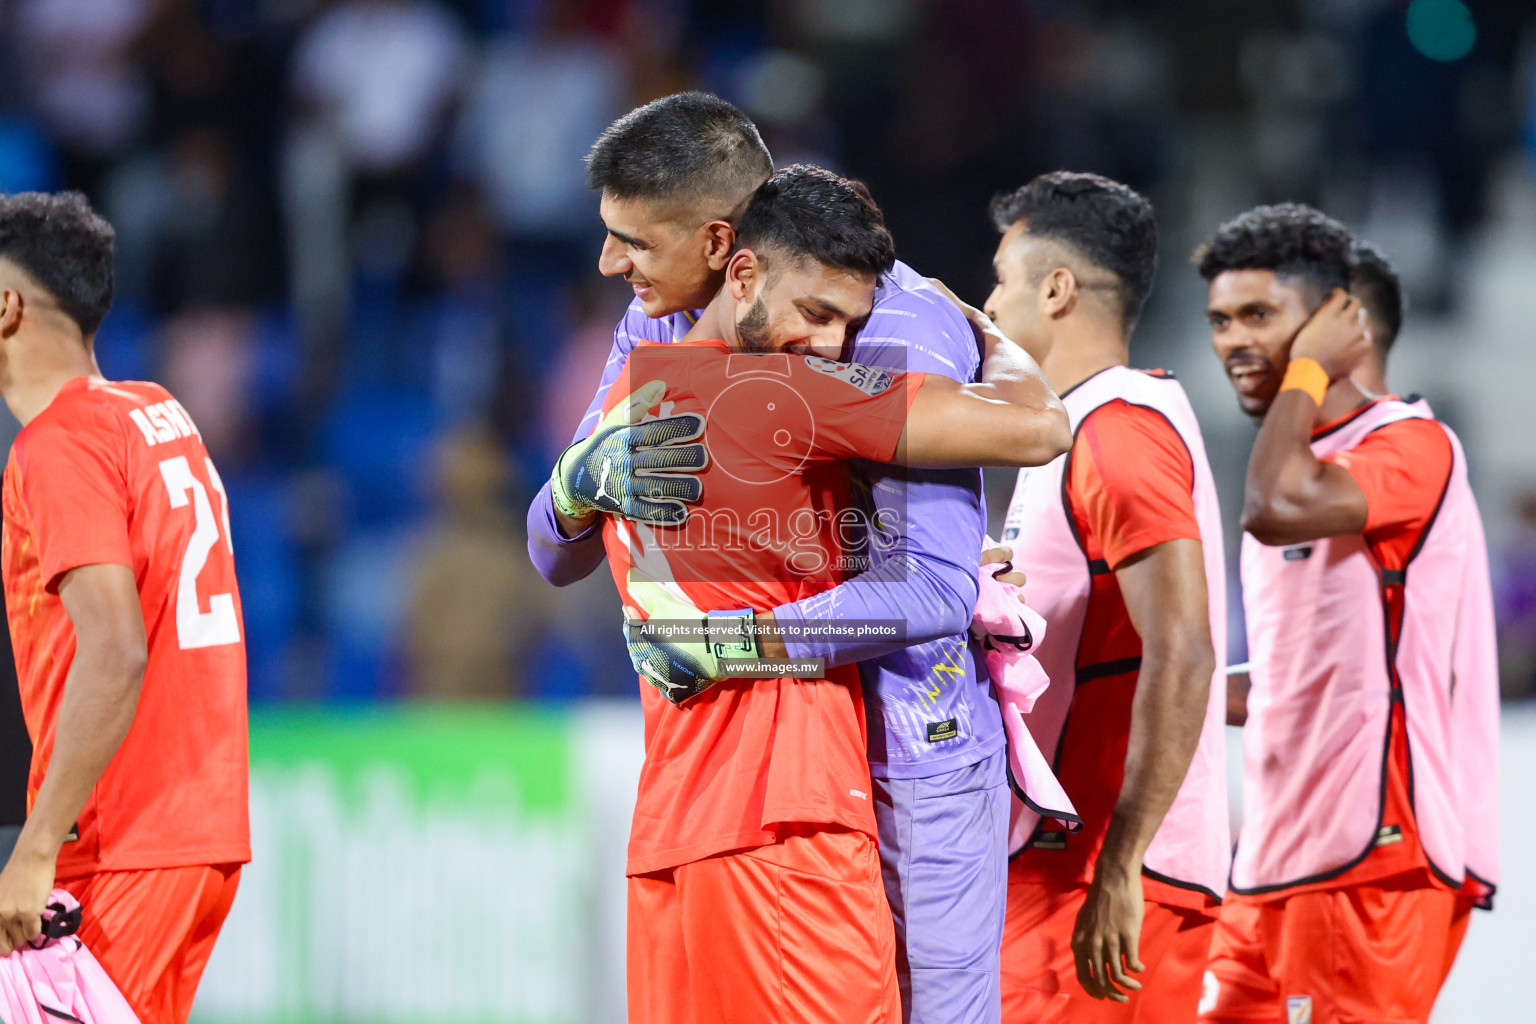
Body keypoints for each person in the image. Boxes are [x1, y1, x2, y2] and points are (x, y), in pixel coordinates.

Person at [527, 92, 1039, 1023]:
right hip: (777, 783)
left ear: (727, 247)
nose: (612, 265)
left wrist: (732, 645)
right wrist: (570, 486)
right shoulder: (665, 329)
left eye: (634, 241)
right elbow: (555, 549)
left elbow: (932, 586)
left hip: (900, 767)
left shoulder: (896, 325)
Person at [1194, 204, 1498, 1024]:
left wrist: (1305, 376)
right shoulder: (1303, 466)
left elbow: (1273, 504)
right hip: (1273, 858)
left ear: (1337, 324)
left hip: (1372, 856)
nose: (1232, 342)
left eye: (1259, 316)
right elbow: (1309, 676)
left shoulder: (1407, 446)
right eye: (1221, 320)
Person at [982, 172, 1228, 1021]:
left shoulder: (1117, 434)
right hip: (1067, 869)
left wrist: (1122, 866)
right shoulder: (1078, 428)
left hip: (1100, 880)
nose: (990, 301)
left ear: (1057, 290)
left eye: (1002, 279)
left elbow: (1184, 648)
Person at [0, 192, 249, 1024]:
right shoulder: (156, 411)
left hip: (121, 842)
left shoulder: (58, 443)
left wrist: (36, 847)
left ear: (6, 306)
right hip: (196, 830)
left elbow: (116, 648)